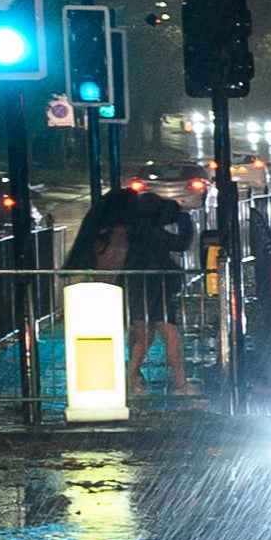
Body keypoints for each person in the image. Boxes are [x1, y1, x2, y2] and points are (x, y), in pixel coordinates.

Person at [63, 168, 202, 393]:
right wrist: (185, 221)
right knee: (165, 336)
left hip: (139, 287)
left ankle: (137, 380)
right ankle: (174, 383)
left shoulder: (124, 232)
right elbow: (179, 244)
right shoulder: (148, 232)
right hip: (154, 288)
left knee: (144, 335)